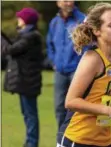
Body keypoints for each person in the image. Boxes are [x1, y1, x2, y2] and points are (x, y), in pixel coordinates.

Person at [56, 2, 111, 147]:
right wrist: (110, 111)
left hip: (104, 141)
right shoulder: (92, 59)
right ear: (97, 31)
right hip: (78, 139)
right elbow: (71, 102)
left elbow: (103, 97)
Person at [1, 8, 43, 147]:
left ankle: (32, 143)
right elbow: (13, 45)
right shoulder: (26, 35)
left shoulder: (30, 37)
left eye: (20, 18)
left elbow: (10, 50)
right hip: (25, 81)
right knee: (27, 114)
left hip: (28, 81)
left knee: (30, 115)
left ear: (26, 21)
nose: (18, 20)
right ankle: (29, 142)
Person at [46, 0, 87, 133]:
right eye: (65, 0)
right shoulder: (54, 22)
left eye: (70, 0)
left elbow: (88, 44)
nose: (68, 3)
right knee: (59, 107)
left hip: (77, 71)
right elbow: (50, 44)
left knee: (77, 107)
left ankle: (77, 137)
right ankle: (62, 138)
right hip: (60, 72)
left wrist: (83, 65)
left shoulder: (82, 19)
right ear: (58, 3)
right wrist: (54, 62)